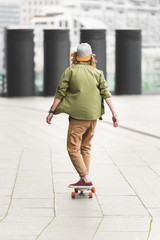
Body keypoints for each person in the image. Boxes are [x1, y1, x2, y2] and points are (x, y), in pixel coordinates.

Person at [46, 43, 119, 188]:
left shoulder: (70, 71)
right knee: (85, 147)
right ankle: (84, 178)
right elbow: (106, 93)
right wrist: (114, 114)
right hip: (93, 117)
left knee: (73, 148)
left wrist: (51, 111)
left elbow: (60, 92)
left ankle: (85, 178)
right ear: (91, 56)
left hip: (78, 117)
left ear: (76, 56)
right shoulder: (97, 73)